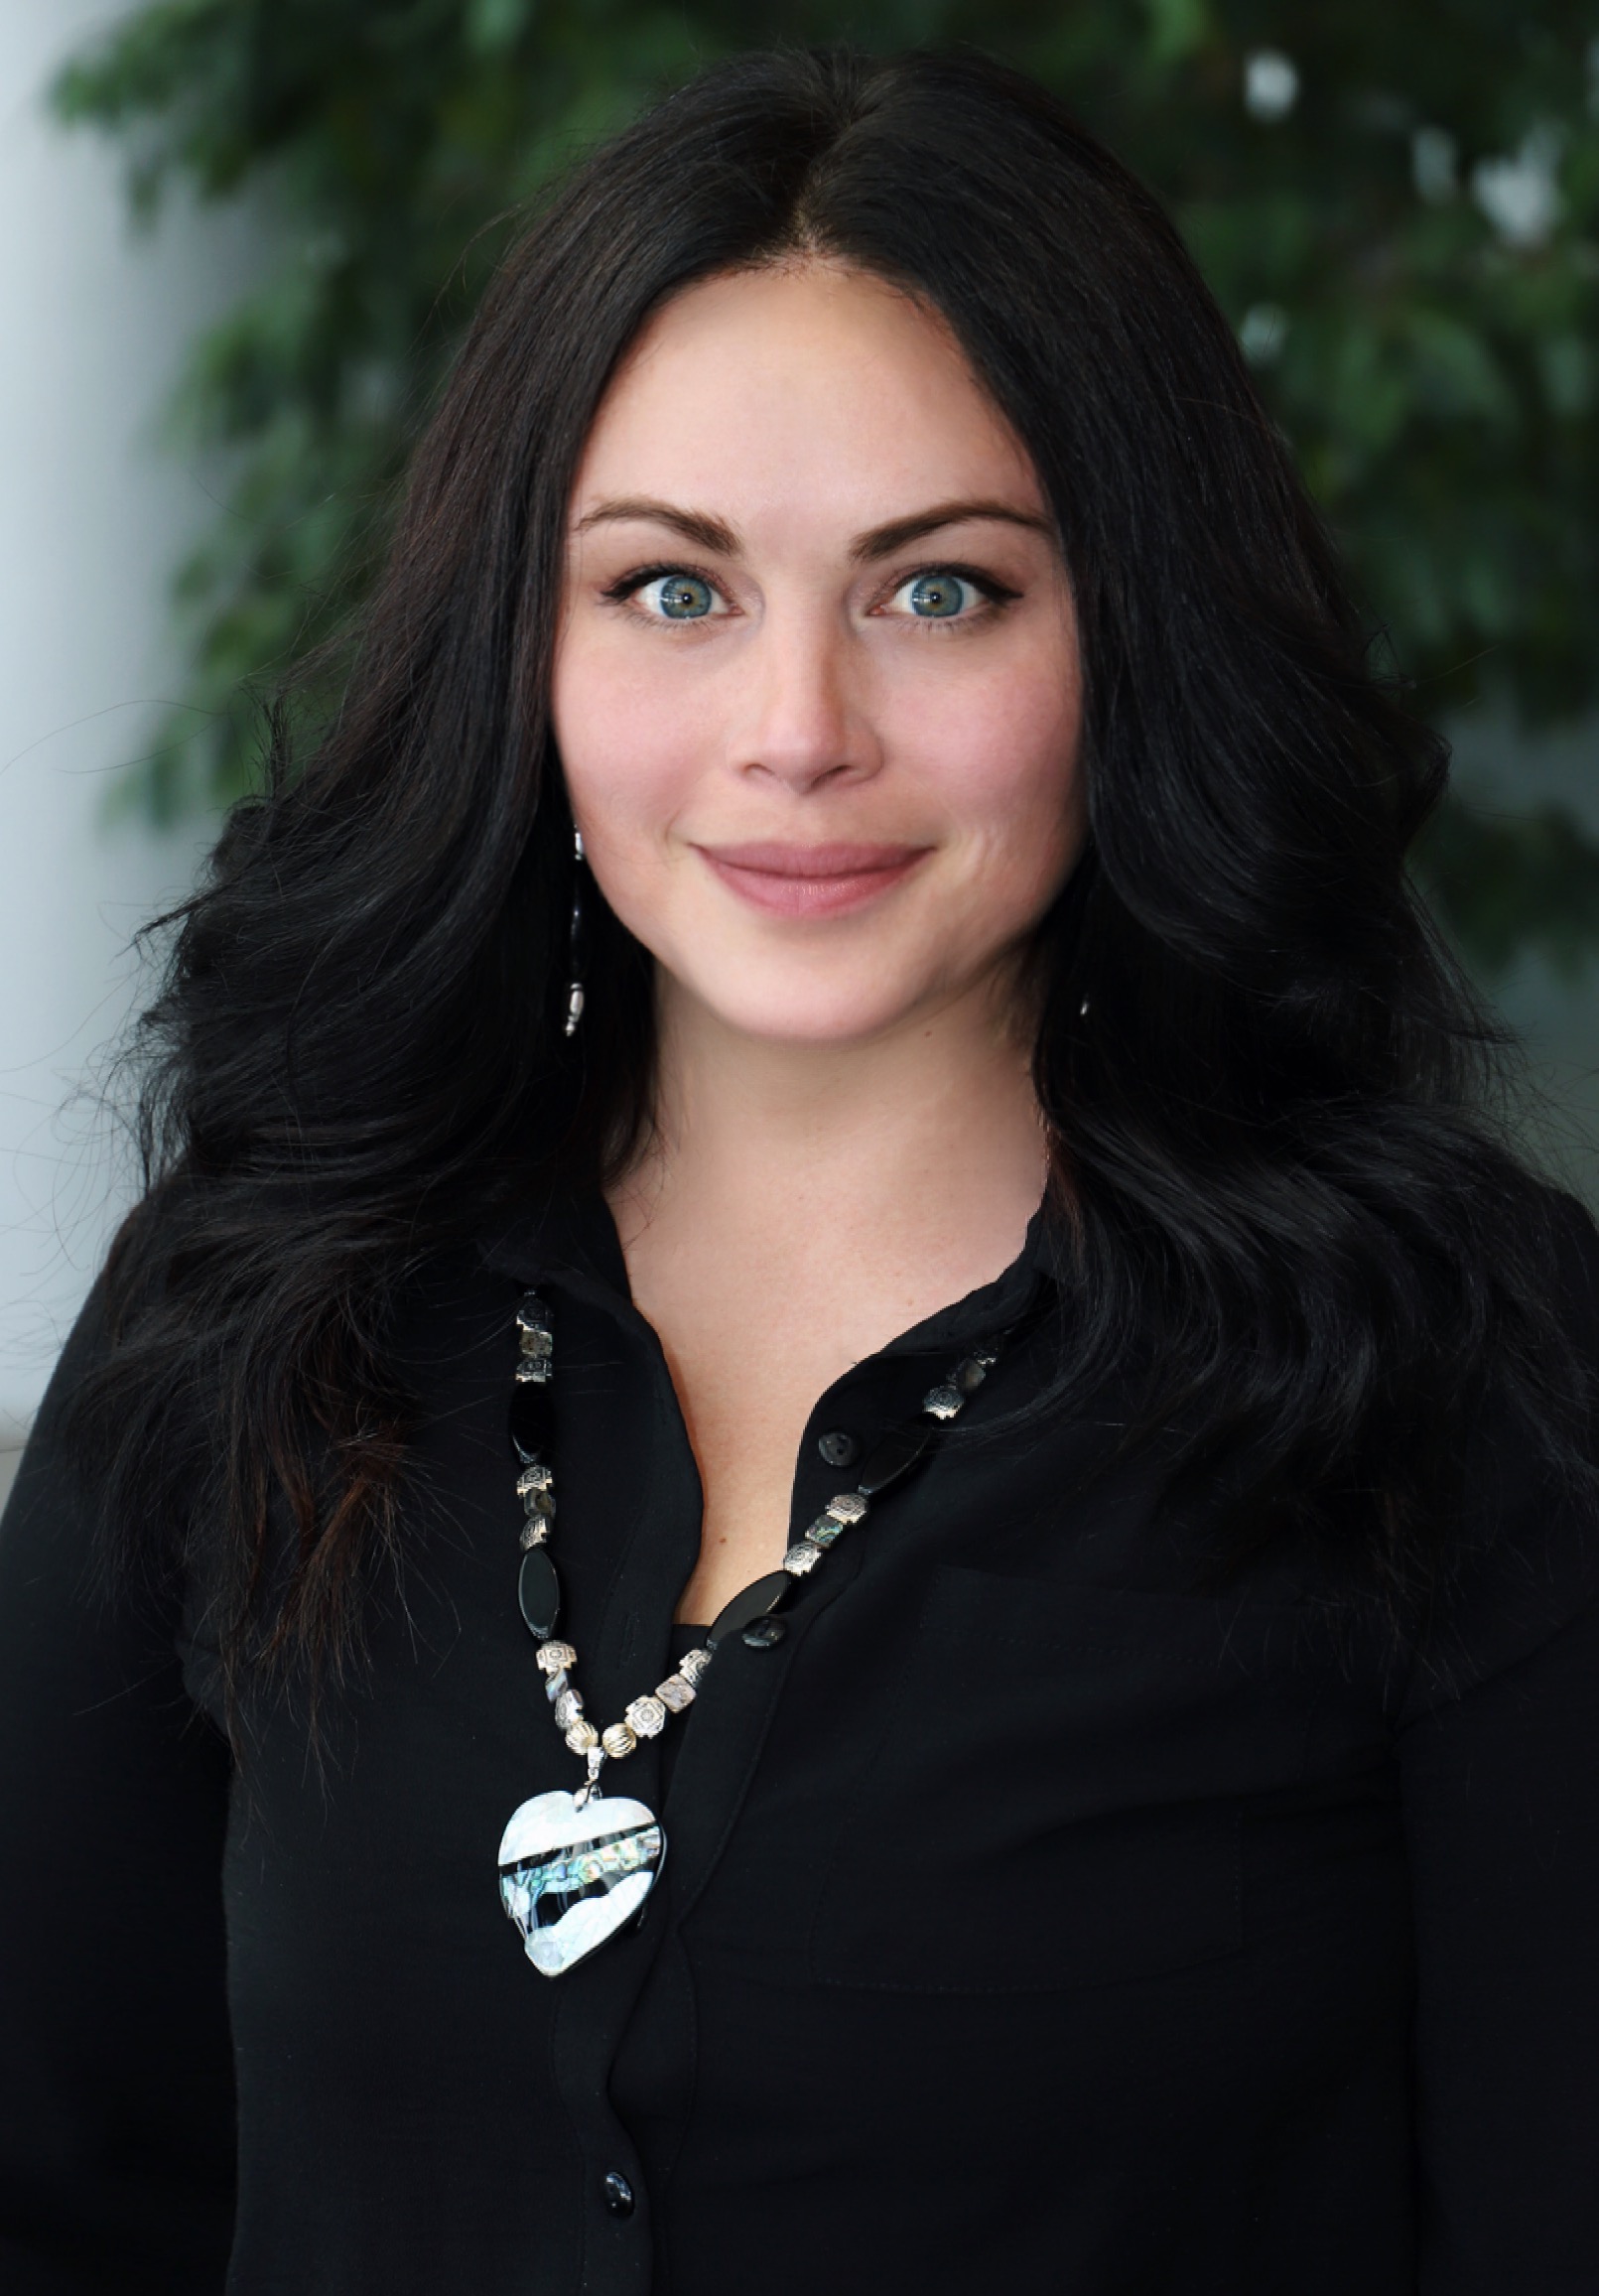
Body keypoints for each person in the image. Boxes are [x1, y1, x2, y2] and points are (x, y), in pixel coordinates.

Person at [2, 42, 1596, 2296]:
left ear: (1125, 634)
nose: (795, 731)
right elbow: (69, 2187)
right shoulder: (257, 1304)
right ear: (521, 653)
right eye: (671, 589)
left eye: (937, 590)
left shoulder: (1462, 1376)